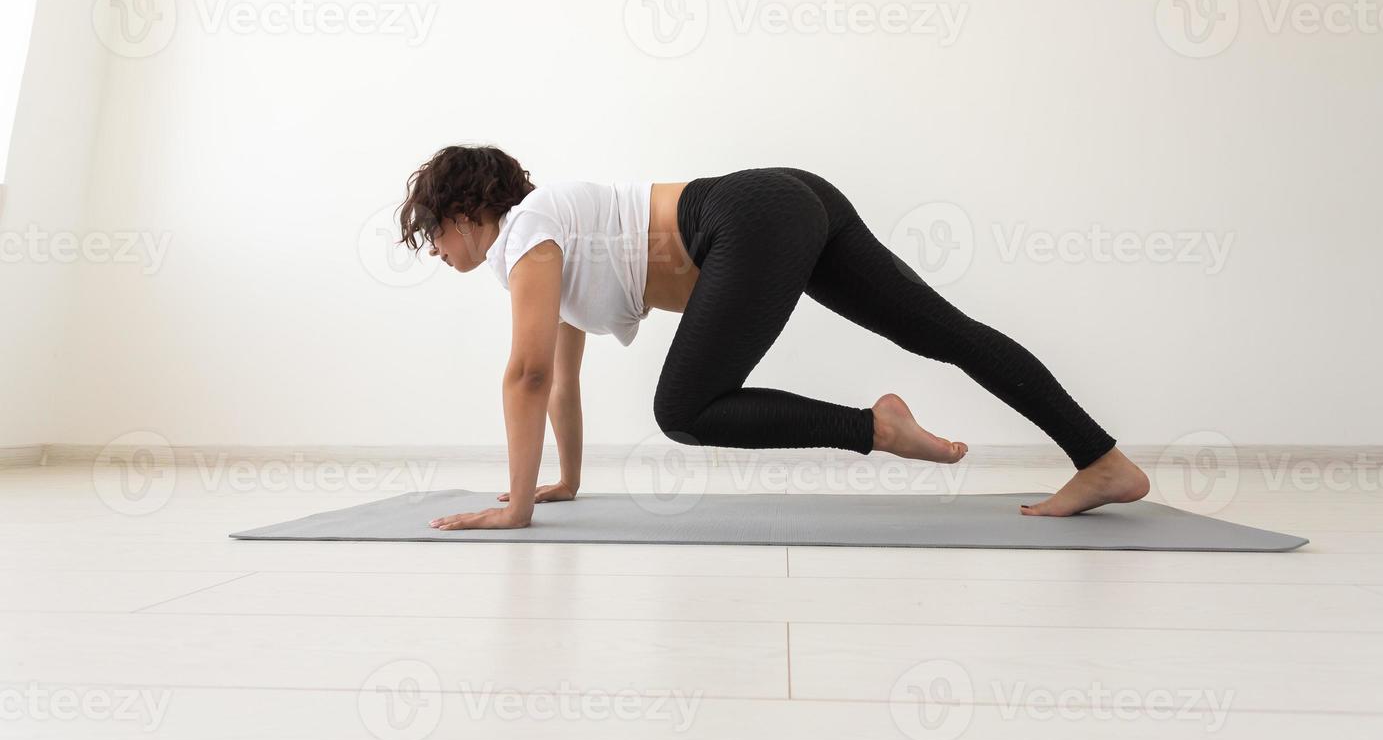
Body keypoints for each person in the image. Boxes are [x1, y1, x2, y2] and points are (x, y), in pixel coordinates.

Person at [396, 144, 1149, 530]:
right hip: (782, 200)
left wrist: (516, 509)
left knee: (683, 409)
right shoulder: (546, 239)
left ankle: (876, 428)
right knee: (945, 333)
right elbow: (557, 376)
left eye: (433, 233)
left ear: (464, 214)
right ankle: (1104, 461)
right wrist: (563, 483)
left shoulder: (526, 233)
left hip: (753, 214)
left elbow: (522, 377)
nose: (435, 251)